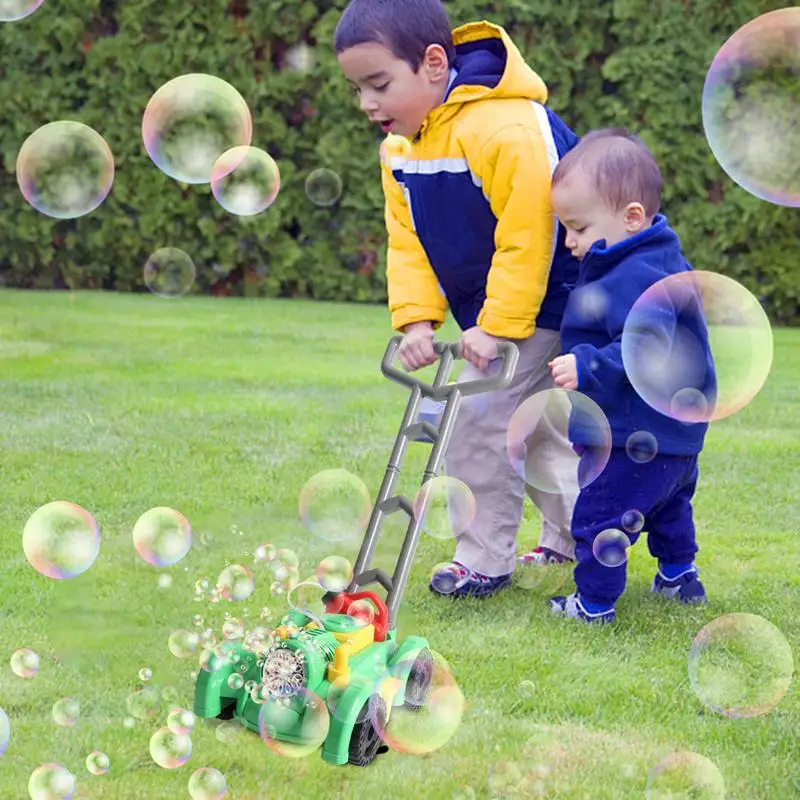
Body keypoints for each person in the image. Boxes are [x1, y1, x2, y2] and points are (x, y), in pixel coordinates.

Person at [334, 0, 581, 597]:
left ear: (434, 63)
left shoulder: (507, 126)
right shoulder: (401, 148)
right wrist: (417, 321)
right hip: (503, 308)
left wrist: (496, 327)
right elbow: (409, 241)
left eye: (380, 84)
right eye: (357, 89)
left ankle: (484, 561)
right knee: (539, 428)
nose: (368, 104)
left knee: (479, 423)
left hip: (556, 294)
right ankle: (572, 540)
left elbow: (532, 236)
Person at [547, 128, 716, 623]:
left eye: (577, 227)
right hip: (673, 435)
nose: (569, 241)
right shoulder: (651, 260)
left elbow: (643, 346)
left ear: (632, 217)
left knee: (601, 515)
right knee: (667, 507)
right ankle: (678, 576)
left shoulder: (636, 274)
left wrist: (588, 364)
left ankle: (595, 603)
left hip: (634, 432)